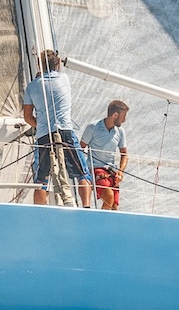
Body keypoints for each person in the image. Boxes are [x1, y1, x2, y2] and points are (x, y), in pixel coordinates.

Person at [21, 50, 89, 207]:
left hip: (44, 135)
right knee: (83, 174)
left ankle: (40, 212)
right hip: (66, 131)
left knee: (40, 179)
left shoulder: (32, 87)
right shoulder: (65, 79)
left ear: (40, 64)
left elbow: (27, 117)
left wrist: (42, 125)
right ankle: (86, 207)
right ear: (57, 63)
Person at [79, 99, 129, 210]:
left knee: (114, 208)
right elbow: (80, 148)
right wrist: (84, 173)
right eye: (123, 116)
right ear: (115, 115)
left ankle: (101, 226)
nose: (124, 120)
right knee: (109, 197)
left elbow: (124, 154)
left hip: (112, 172)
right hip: (96, 170)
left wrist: (120, 172)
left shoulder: (120, 132)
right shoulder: (93, 127)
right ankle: (97, 225)